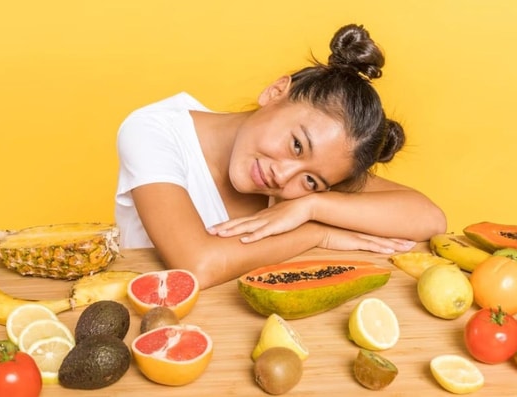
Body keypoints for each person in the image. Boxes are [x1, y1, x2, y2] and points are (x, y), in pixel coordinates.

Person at [115, 24, 446, 289]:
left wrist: (311, 205)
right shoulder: (153, 131)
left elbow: (430, 219)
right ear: (275, 93)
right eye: (298, 145)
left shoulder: (309, 185)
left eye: (311, 180)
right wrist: (318, 232)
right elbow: (198, 265)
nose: (284, 176)